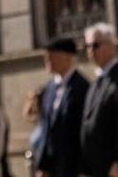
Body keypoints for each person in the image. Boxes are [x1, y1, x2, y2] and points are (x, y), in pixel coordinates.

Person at [79, 23, 118, 177]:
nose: (91, 50)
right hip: (95, 167)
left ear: (112, 45)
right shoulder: (95, 82)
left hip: (114, 168)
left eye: (96, 45)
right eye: (88, 46)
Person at [31, 36, 88, 177]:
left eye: (52, 56)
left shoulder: (82, 87)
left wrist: (85, 169)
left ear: (68, 58)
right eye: (46, 57)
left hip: (73, 166)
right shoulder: (50, 88)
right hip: (52, 168)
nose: (47, 61)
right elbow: (46, 128)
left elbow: (85, 132)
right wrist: (42, 166)